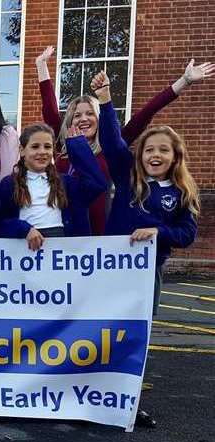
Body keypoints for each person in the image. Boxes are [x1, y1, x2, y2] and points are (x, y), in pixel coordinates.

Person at [35, 46, 214, 235]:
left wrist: (184, 81)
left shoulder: (112, 146)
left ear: (99, 117)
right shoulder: (63, 146)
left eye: (90, 113)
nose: (83, 119)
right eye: (77, 115)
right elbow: (50, 111)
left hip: (104, 233)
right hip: (69, 230)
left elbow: (146, 113)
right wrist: (41, 66)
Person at [95, 70, 198, 316]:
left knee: (139, 332)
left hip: (149, 271)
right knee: (105, 327)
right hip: (112, 265)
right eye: (149, 149)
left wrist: (158, 232)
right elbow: (111, 142)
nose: (155, 155)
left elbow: (187, 234)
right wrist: (106, 100)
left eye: (163, 150)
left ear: (175, 157)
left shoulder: (182, 191)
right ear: (140, 155)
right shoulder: (127, 176)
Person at [0, 123, 106, 250]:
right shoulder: (9, 184)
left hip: (62, 252)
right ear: (22, 150)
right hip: (24, 251)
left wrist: (77, 147)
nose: (42, 152)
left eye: (47, 147)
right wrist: (24, 229)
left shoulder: (66, 183)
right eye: (35, 147)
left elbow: (97, 184)